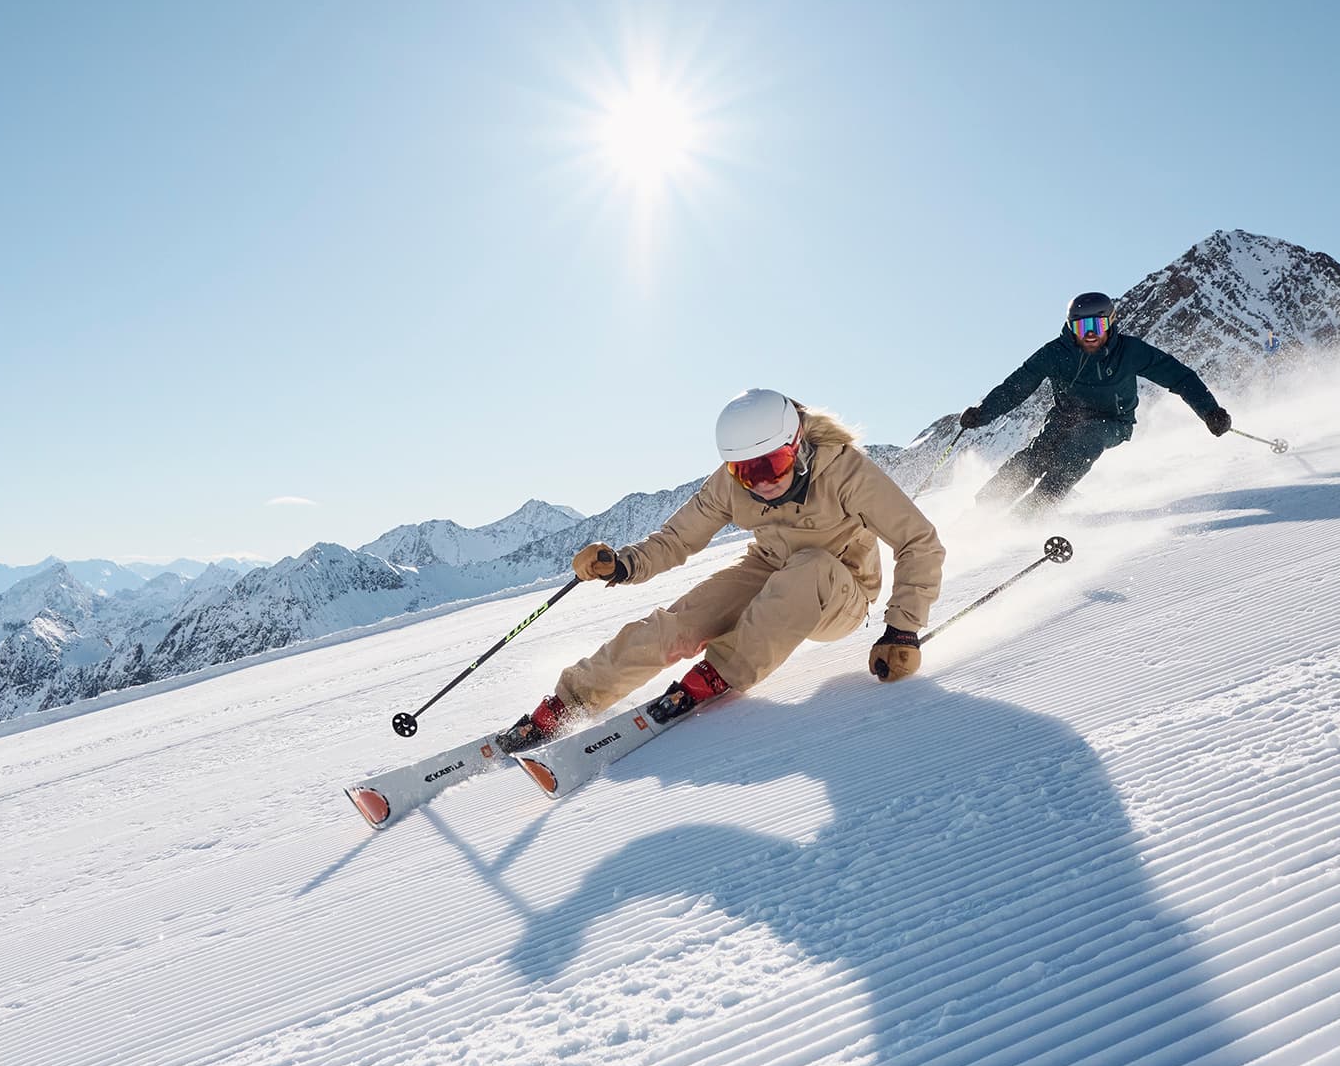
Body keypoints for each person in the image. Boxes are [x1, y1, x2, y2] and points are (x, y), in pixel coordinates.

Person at [498, 389, 948, 752]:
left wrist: (902, 630)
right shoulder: (732, 485)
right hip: (770, 568)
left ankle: (721, 673)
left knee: (810, 567)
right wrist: (622, 564)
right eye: (745, 471)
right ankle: (569, 702)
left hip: (840, 590)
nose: (762, 481)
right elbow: (677, 538)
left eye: (772, 464)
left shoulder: (847, 473)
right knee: (678, 623)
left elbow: (919, 541)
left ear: (797, 446)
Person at [959, 291, 1232, 515]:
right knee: (1037, 454)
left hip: (1113, 421)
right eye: (1082, 327)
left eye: (1097, 326)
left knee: (1084, 440)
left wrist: (1210, 411)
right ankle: (983, 510)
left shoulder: (1129, 351)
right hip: (1066, 417)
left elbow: (1179, 376)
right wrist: (983, 413)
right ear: (1070, 327)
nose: (1090, 334)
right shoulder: (1056, 353)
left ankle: (1032, 512)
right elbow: (1017, 387)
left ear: (1110, 324)